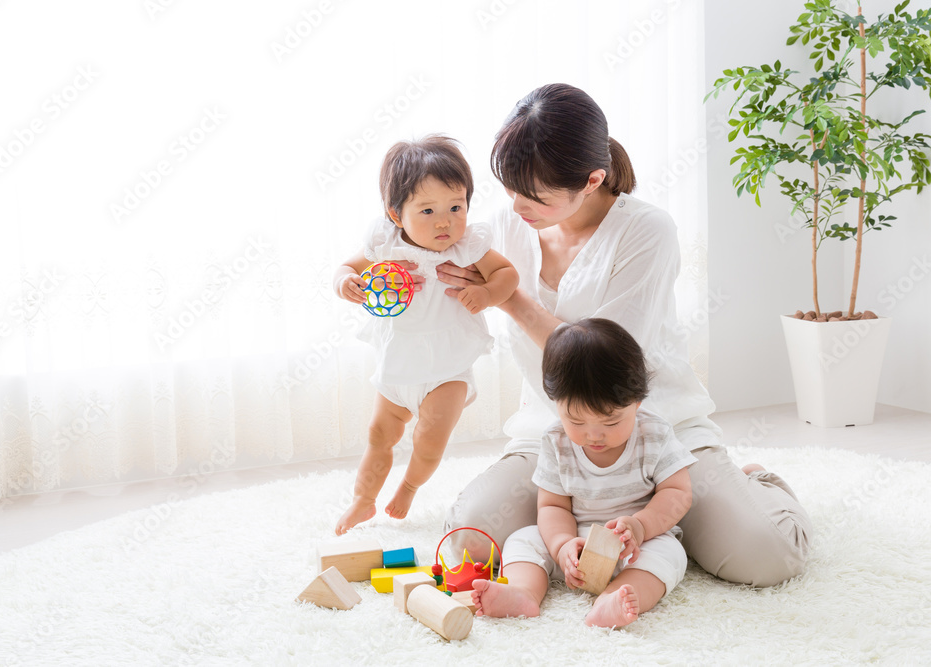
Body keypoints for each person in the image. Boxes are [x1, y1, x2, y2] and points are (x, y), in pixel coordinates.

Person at [440, 83, 812, 587]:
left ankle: (755, 484)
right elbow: (420, 244)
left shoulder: (647, 231)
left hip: (658, 431)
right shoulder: (506, 225)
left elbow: (601, 360)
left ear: (593, 180)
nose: (516, 205)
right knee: (466, 548)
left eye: (535, 196)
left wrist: (508, 297)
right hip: (555, 433)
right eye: (508, 189)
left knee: (767, 558)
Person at [333, 134, 518, 535]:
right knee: (379, 435)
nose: (444, 221)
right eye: (428, 210)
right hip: (399, 366)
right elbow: (346, 268)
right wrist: (346, 282)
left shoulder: (467, 246)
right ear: (396, 215)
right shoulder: (384, 243)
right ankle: (362, 502)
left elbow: (508, 275)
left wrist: (486, 293)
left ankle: (409, 486)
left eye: (456, 207)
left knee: (430, 438)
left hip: (447, 369)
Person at [472, 318, 695, 628]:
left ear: (637, 402)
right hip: (577, 540)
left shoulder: (653, 434)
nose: (594, 436)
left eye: (611, 422)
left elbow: (678, 492)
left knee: (669, 554)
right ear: (556, 405)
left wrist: (641, 527)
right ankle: (523, 592)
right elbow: (552, 506)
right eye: (576, 422)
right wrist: (562, 545)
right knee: (522, 540)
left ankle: (612, 599)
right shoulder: (556, 441)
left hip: (637, 544)